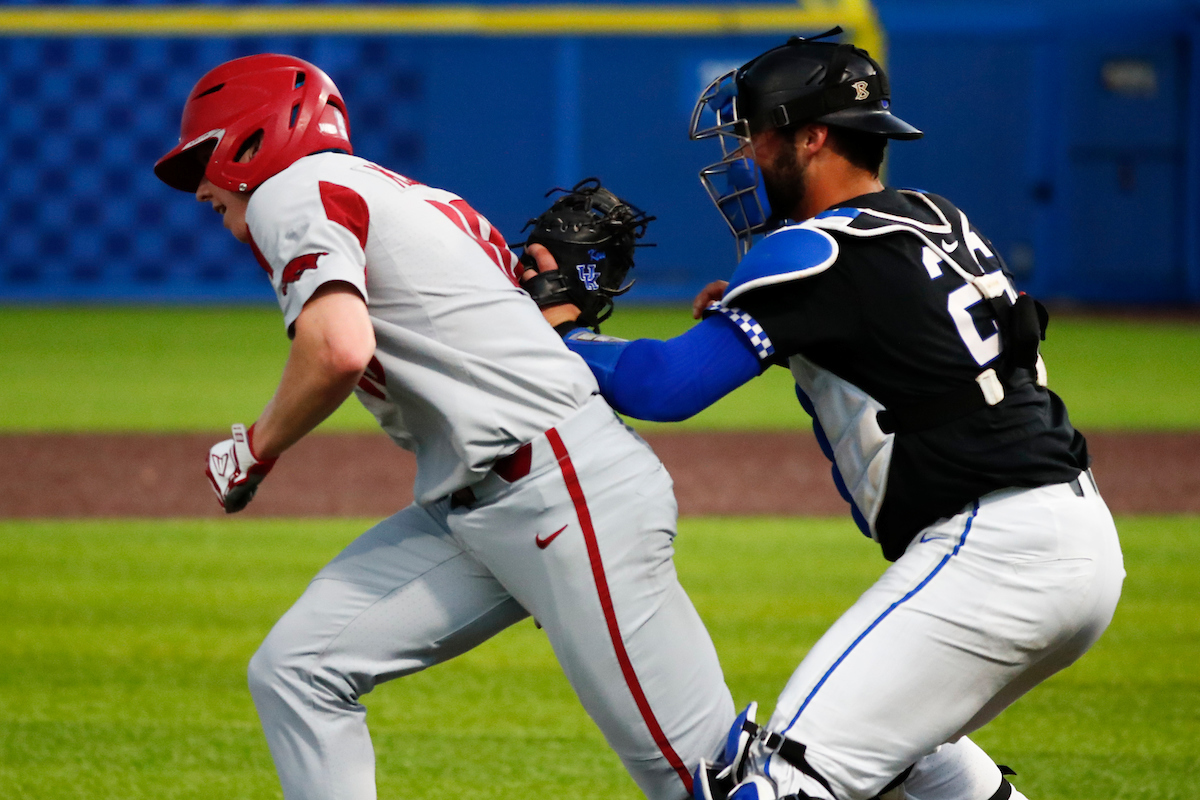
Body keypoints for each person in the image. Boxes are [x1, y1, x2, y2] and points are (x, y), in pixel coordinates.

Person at [525, 29, 1125, 800]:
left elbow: (665, 386)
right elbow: (900, 343)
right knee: (918, 762)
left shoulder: (813, 250)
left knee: (779, 781)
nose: (743, 158)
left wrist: (562, 335)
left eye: (756, 137)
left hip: (992, 553)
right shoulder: (938, 218)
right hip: (1080, 544)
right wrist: (757, 319)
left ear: (810, 138)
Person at [154, 53, 735, 800]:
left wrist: (257, 449)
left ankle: (908, 762)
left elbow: (337, 347)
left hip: (562, 489)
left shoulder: (290, 192)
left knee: (704, 781)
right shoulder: (413, 196)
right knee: (298, 670)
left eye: (203, 156)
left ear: (250, 141)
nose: (198, 186)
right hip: (487, 503)